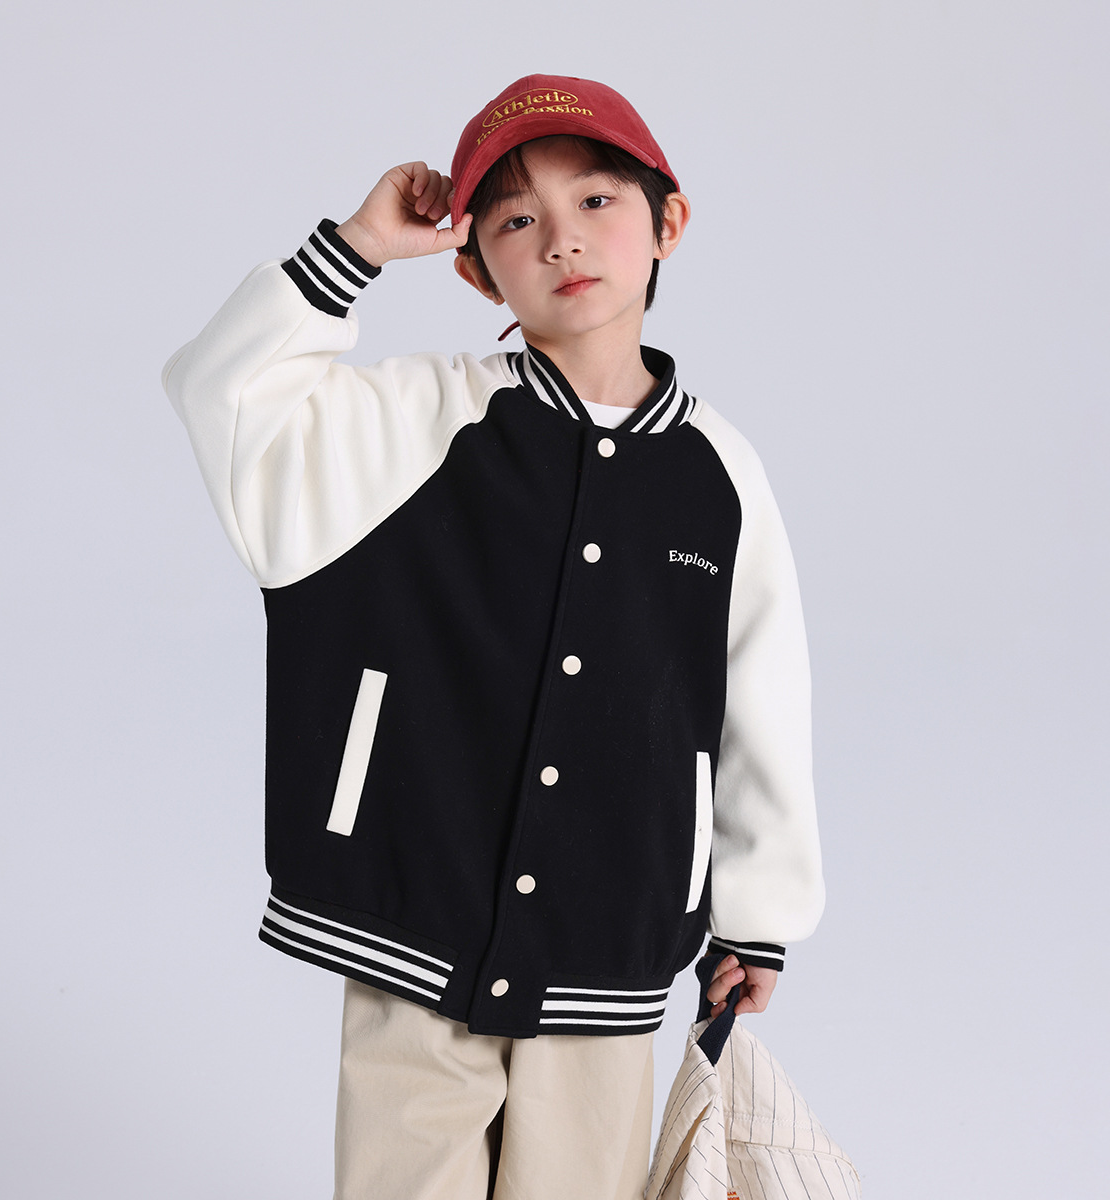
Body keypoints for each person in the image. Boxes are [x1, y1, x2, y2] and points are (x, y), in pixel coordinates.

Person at [163, 73, 825, 1200]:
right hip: (411, 919)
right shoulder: (414, 423)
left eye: (597, 201)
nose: (562, 239)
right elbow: (223, 393)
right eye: (517, 219)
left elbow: (760, 697)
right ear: (475, 267)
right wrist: (359, 247)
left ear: (668, 222)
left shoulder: (723, 474)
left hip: (608, 937)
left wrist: (756, 918)